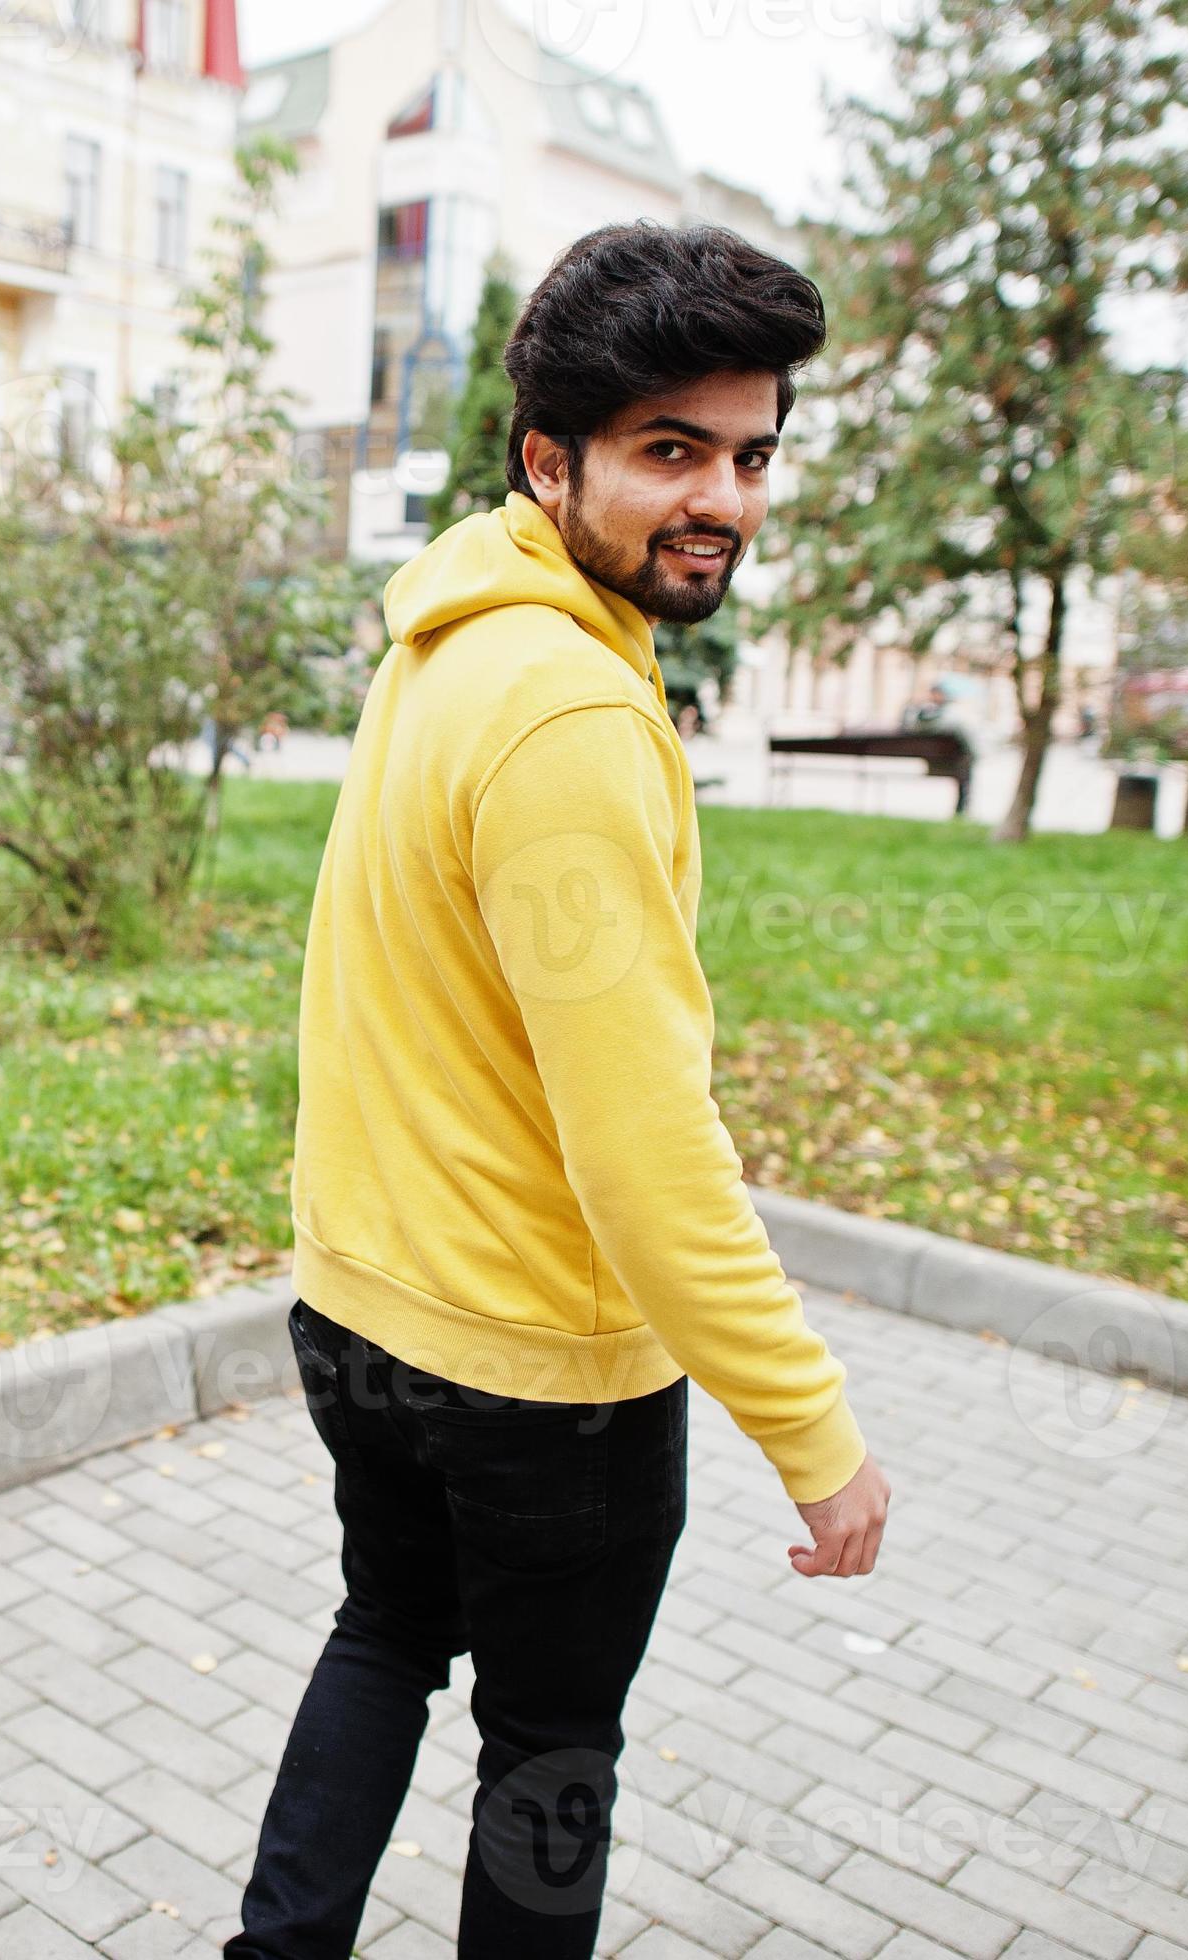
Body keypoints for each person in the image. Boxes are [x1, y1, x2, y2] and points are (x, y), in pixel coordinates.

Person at [232, 224, 892, 1960]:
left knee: (383, 1634)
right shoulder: (570, 719)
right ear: (553, 460)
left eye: (751, 455)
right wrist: (811, 1432)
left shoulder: (454, 636)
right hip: (538, 1379)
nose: (727, 501)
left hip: (362, 1311)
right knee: (546, 1746)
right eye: (670, 452)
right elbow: (645, 1145)